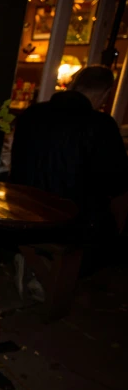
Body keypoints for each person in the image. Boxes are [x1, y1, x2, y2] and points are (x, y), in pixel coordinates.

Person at [9, 65, 128, 294]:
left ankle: (39, 268)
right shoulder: (100, 125)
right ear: (104, 94)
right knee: (112, 217)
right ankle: (49, 273)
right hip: (70, 221)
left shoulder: (32, 114)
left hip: (24, 209)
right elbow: (117, 181)